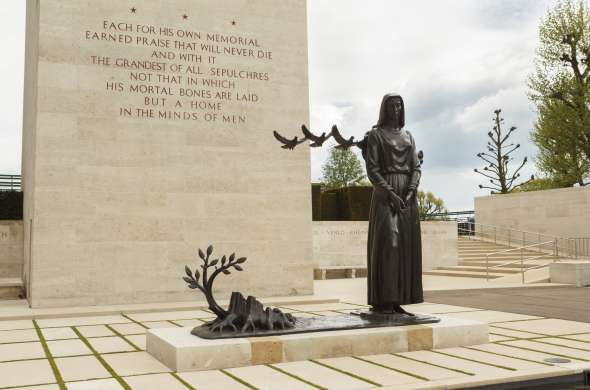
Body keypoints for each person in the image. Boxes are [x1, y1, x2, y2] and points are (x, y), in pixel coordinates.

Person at [364, 93, 423, 315]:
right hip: (385, 193)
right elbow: (372, 168)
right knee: (390, 244)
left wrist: (410, 190)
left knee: (406, 247)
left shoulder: (408, 135)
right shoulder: (376, 135)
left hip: (407, 193)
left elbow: (415, 166)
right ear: (384, 108)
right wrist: (390, 193)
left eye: (399, 105)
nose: (396, 109)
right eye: (391, 105)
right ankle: (383, 300)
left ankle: (398, 300)